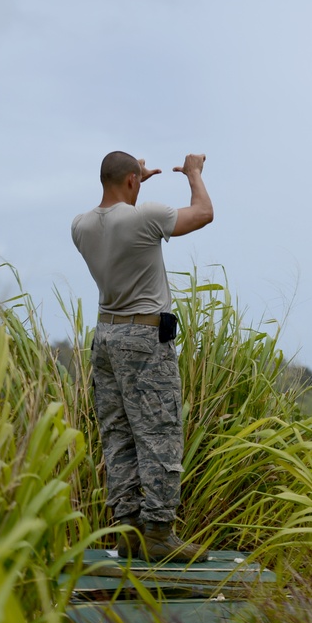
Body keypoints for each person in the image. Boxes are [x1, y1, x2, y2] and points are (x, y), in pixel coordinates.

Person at [72, 151, 214, 562]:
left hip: (106, 336)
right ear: (133, 181)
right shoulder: (143, 216)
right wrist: (194, 173)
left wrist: (133, 184)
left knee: (118, 436)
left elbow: (116, 212)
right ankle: (158, 533)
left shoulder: (79, 226)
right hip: (144, 336)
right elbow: (203, 213)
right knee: (160, 432)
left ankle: (128, 532)